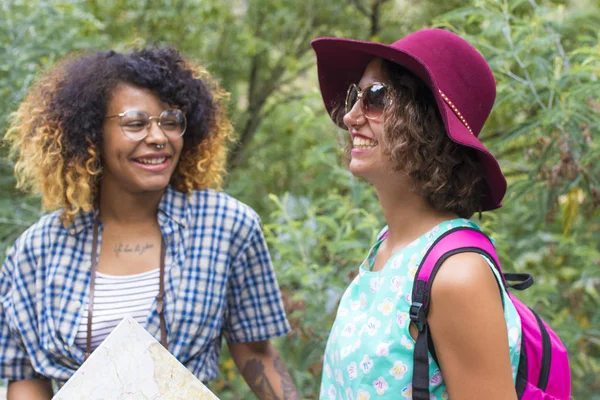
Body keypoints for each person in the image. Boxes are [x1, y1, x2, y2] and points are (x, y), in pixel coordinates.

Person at [0, 47, 300, 400]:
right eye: (136, 123)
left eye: (170, 122)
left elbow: (256, 353)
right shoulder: (37, 250)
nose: (158, 137)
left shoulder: (227, 227)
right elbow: (26, 377)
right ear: (92, 136)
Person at [311, 29, 521, 399]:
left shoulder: (458, 275)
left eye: (375, 98)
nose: (350, 116)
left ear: (426, 123)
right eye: (353, 97)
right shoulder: (386, 246)